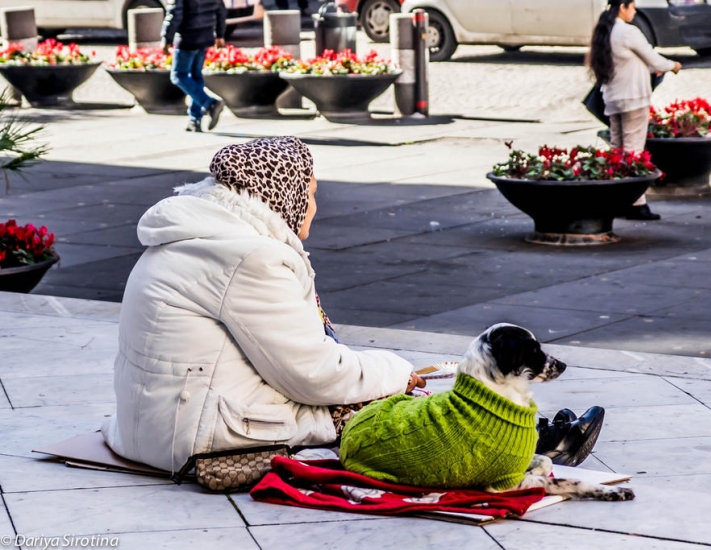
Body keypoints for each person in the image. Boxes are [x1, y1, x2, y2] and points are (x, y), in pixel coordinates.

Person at [101, 137, 603, 474]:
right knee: (393, 411)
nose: (316, 208)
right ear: (281, 194)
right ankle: (533, 441)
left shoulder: (202, 236)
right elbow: (311, 373)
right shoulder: (248, 256)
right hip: (199, 434)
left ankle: (537, 434)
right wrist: (394, 371)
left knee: (373, 389)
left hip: (159, 425)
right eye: (312, 194)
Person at [589, 0, 682, 221]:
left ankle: (616, 198)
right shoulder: (628, 31)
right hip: (633, 98)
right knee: (633, 150)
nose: (635, 11)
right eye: (632, 6)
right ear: (622, 6)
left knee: (617, 149)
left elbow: (632, 61)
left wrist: (653, 68)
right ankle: (635, 202)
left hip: (612, 98)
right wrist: (673, 66)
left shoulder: (606, 30)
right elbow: (652, 56)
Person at [161, 0, 227, 133]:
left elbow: (175, 14)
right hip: (205, 35)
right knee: (196, 77)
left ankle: (210, 103)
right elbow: (220, 8)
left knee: (178, 76)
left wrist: (167, 38)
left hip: (187, 37)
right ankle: (194, 119)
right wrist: (220, 34)